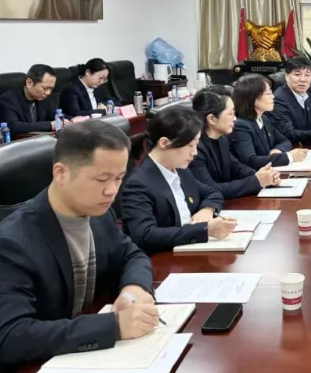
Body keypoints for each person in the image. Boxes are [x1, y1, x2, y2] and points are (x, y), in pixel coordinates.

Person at [0, 120, 157, 365]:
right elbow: (11, 337)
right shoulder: (12, 243)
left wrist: (135, 287)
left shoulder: (100, 213)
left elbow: (132, 255)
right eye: (102, 179)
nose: (112, 191)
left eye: (119, 178)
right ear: (61, 173)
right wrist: (113, 326)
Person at [121, 106, 234, 254]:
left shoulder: (180, 170)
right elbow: (145, 235)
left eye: (196, 145)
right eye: (190, 145)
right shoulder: (138, 184)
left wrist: (207, 210)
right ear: (164, 143)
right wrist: (205, 230)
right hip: (165, 259)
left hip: (191, 250)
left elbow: (212, 193)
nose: (195, 152)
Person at [189, 86, 281, 199]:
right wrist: (256, 181)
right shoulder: (193, 148)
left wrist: (265, 175)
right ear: (211, 119)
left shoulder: (221, 138)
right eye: (231, 113)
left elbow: (236, 167)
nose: (235, 119)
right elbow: (210, 189)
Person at [229, 74, 307, 170]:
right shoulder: (240, 126)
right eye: (268, 93)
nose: (273, 96)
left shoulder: (264, 119)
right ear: (254, 99)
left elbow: (285, 141)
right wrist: (289, 157)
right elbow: (250, 161)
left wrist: (278, 150)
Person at [0, 63, 60, 137]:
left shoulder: (43, 97)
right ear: (29, 83)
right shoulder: (8, 99)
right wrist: (49, 125)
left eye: (51, 89)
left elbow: (52, 114)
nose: (48, 93)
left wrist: (68, 119)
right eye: (45, 88)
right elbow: (14, 126)